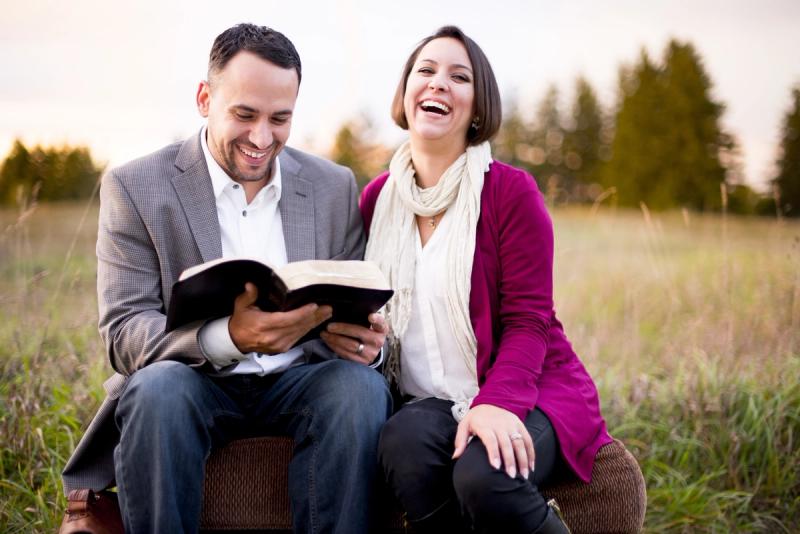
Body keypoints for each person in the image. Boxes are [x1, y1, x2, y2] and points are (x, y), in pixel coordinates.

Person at [61, 23, 392, 534]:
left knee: (359, 390)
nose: (263, 138)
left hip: (301, 379)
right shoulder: (134, 187)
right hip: (192, 381)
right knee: (157, 391)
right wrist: (229, 337)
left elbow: (353, 300)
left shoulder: (333, 186)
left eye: (280, 119)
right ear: (204, 98)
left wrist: (368, 345)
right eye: (244, 115)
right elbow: (124, 333)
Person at [360, 26, 613, 534]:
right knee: (400, 445)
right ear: (406, 91)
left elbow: (528, 321)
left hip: (532, 388)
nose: (437, 84)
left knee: (482, 474)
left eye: (459, 77)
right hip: (432, 400)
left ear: (477, 107)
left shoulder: (510, 192)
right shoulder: (376, 201)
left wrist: (496, 404)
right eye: (425, 71)